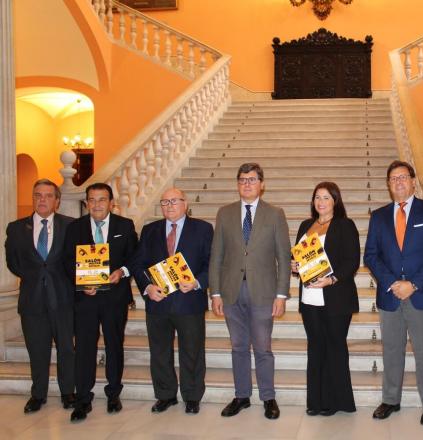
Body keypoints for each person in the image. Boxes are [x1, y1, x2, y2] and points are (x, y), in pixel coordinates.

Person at [364, 160, 423, 426]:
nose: (398, 182)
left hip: (420, 293)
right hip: (390, 295)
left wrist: (412, 283)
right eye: (393, 179)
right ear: (388, 185)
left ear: (413, 181)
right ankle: (390, 399)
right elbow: (371, 256)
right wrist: (391, 282)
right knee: (391, 349)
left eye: (403, 177)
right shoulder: (378, 217)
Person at [209, 163, 290, 420]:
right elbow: (216, 256)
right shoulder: (224, 213)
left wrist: (281, 295)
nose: (247, 184)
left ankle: (268, 397)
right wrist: (215, 293)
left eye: (252, 179)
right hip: (231, 292)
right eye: (242, 179)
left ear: (262, 184)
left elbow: (284, 258)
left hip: (264, 293)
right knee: (238, 347)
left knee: (263, 348)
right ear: (237, 184)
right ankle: (242, 395)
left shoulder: (275, 214)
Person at [130, 188, 213, 415]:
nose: (169, 205)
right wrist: (147, 287)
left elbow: (211, 263)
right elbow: (138, 264)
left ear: (185, 203)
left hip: (189, 301)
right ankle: (166, 395)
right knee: (159, 351)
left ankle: (192, 396)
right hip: (158, 302)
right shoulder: (150, 230)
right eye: (164, 202)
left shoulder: (203, 229)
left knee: (192, 351)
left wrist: (197, 282)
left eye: (174, 201)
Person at [64, 183, 137, 423]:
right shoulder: (74, 228)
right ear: (86, 203)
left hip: (114, 299)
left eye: (102, 199)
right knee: (84, 348)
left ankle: (113, 393)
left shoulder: (124, 226)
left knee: (114, 345)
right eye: (92, 200)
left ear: (111, 202)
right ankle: (83, 398)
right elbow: (66, 262)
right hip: (85, 300)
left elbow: (134, 258)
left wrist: (122, 272)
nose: (96, 204)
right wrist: (82, 282)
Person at [5, 179, 76, 413]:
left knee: (66, 348)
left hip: (63, 299)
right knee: (37, 349)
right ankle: (38, 394)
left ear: (57, 201)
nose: (42, 199)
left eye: (47, 195)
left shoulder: (72, 226)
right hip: (32, 299)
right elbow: (13, 263)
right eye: (37, 195)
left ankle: (68, 393)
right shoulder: (16, 228)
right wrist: (35, 277)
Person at [292, 182, 360, 416]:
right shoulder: (305, 225)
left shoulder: (345, 225)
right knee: (316, 348)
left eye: (326, 198)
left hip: (336, 297)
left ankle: (336, 401)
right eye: (317, 198)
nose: (321, 202)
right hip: (310, 298)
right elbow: (299, 260)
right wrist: (295, 266)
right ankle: (316, 401)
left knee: (334, 347)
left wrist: (331, 280)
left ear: (335, 201)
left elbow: (351, 261)